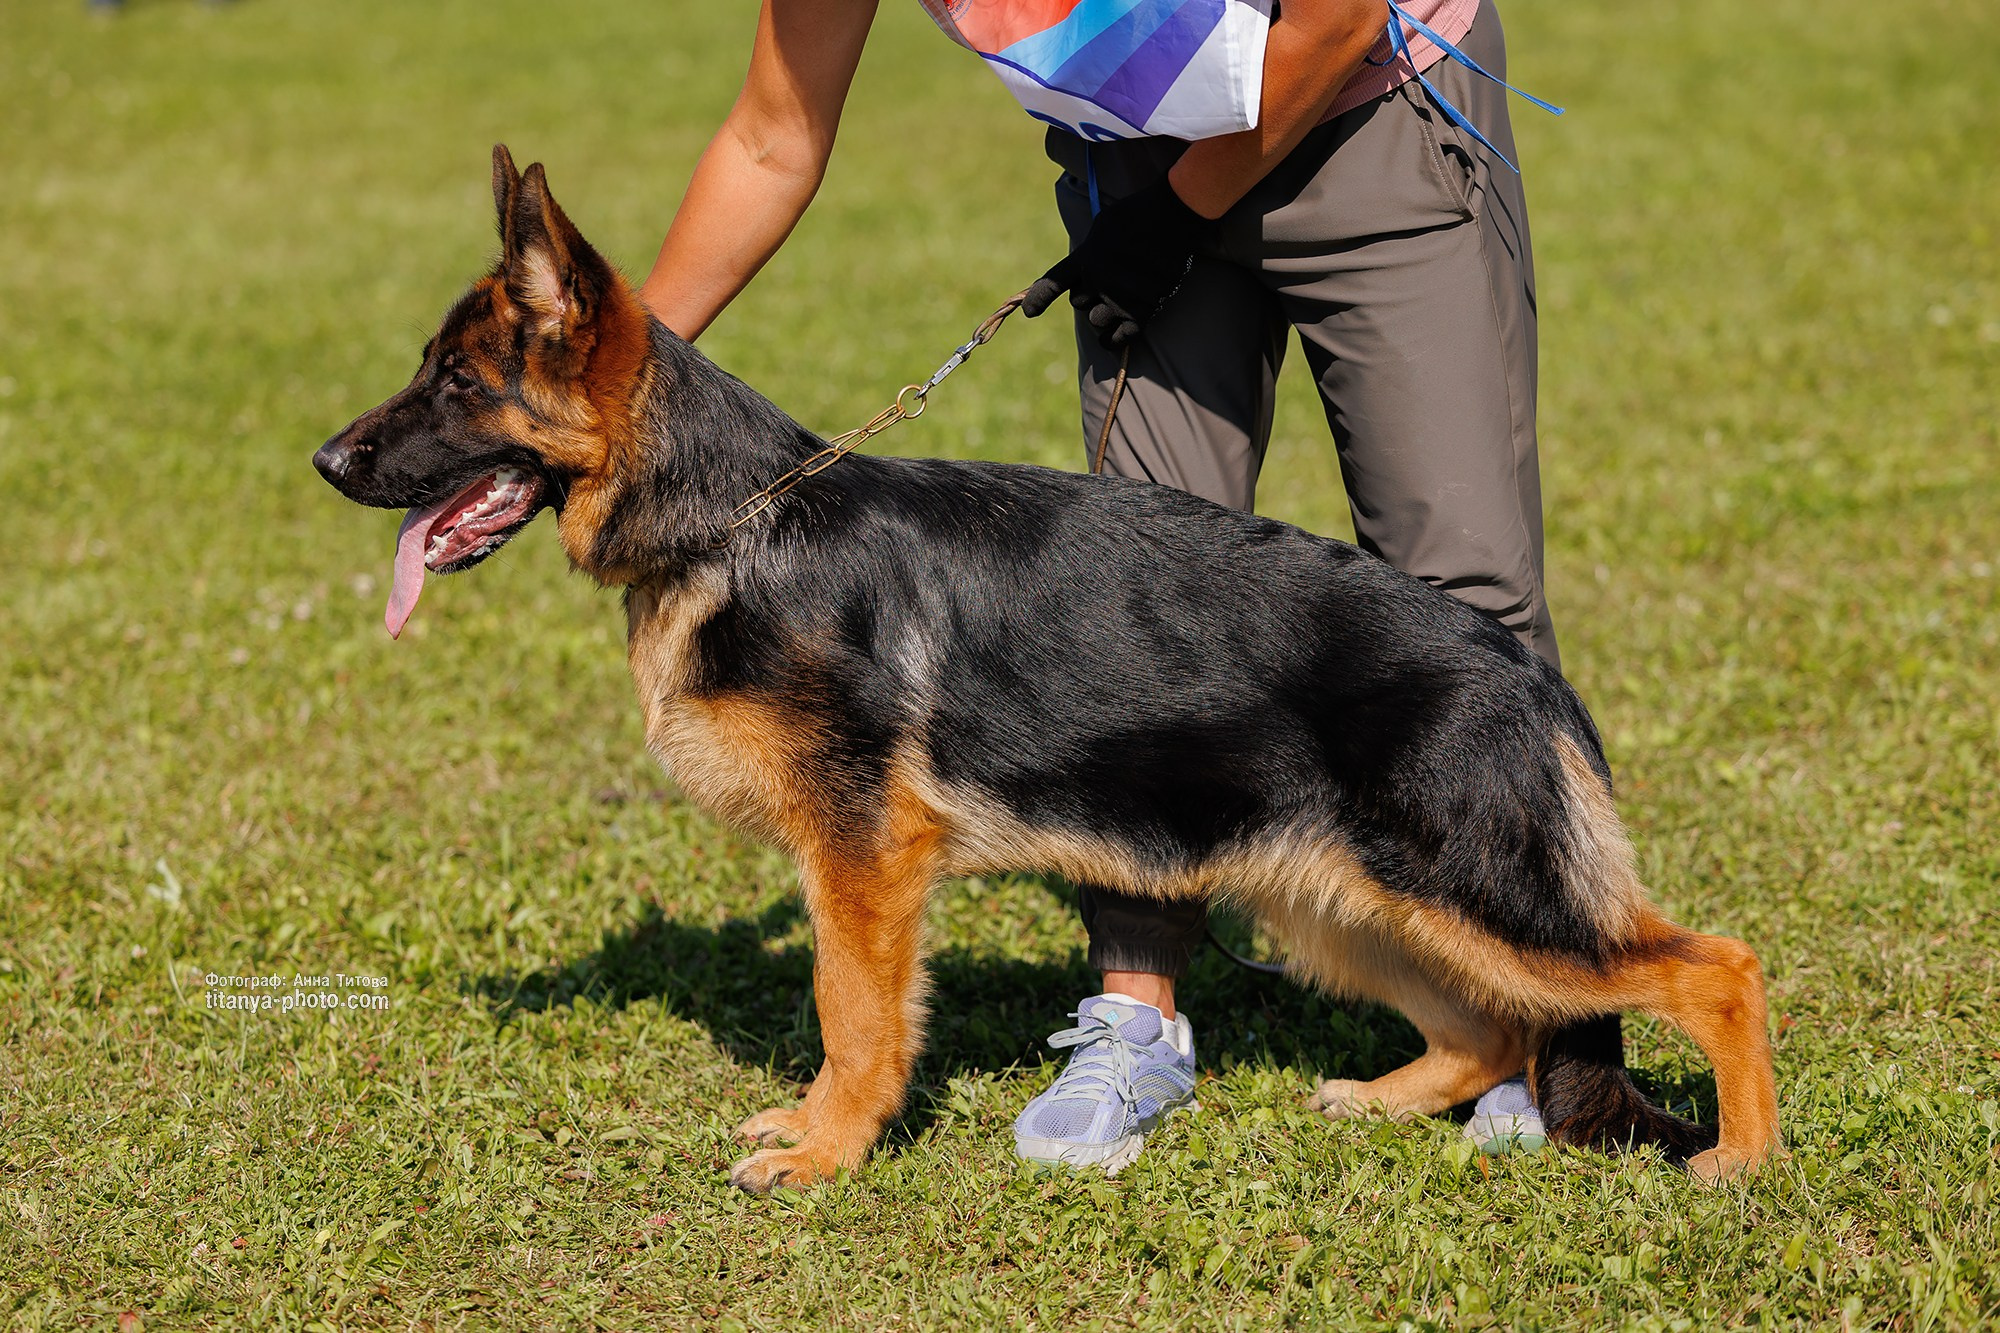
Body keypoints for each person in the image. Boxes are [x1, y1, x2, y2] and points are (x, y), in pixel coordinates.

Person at [640, 0, 1556, 1173]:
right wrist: (612, 379)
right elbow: (772, 138)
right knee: (1123, 611)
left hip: (1371, 109)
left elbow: (1328, 18)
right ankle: (1139, 1014)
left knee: (1456, 581)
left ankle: (1538, 1026)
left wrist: (1189, 203)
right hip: (1135, 171)